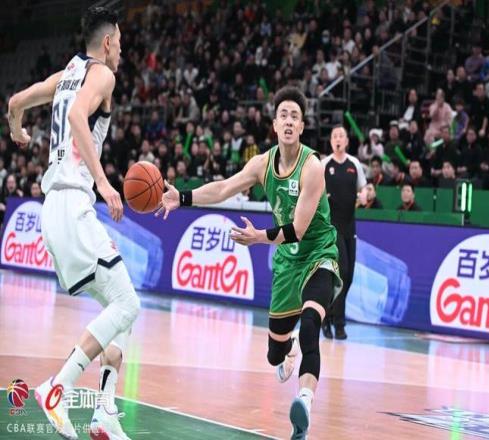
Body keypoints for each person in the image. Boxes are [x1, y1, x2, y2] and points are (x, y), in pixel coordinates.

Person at [157, 86, 342, 440]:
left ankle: (304, 403)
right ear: (274, 124)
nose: (289, 122)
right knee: (274, 354)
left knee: (310, 325)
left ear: (302, 127)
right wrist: (183, 197)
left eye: (295, 117)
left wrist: (258, 237)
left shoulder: (313, 167)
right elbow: (224, 188)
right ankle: (286, 351)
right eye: (283, 115)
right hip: (287, 263)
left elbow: (298, 230)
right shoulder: (262, 164)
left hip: (319, 253)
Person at [7, 7, 139, 440]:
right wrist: (103, 182)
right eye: (120, 42)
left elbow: (16, 101)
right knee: (128, 305)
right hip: (74, 203)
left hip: (55, 209)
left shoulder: (68, 73)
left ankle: (104, 411)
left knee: (120, 310)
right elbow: (79, 117)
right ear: (107, 42)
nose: (121, 50)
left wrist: (16, 127)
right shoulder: (102, 75)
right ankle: (57, 389)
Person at [321, 125, 367, 340]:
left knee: (348, 277)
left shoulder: (354, 164)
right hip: (331, 227)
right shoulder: (324, 165)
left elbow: (364, 188)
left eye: (341, 136)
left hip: (350, 226)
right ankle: (338, 323)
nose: (338, 139)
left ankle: (328, 315)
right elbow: (312, 190)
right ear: (331, 141)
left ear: (347, 141)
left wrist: (365, 194)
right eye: (334, 136)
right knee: (342, 272)